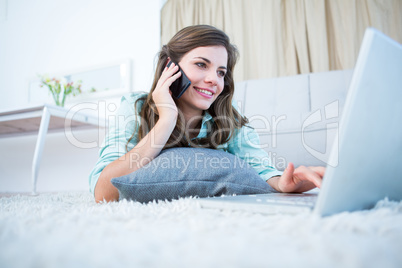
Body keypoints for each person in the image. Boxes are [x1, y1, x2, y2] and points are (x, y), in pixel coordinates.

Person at [89, 25, 325, 203]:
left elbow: (260, 168)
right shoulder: (134, 107)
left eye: (221, 72)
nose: (214, 79)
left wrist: (283, 183)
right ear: (170, 68)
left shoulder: (228, 118)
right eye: (202, 64)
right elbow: (103, 192)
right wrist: (167, 119)